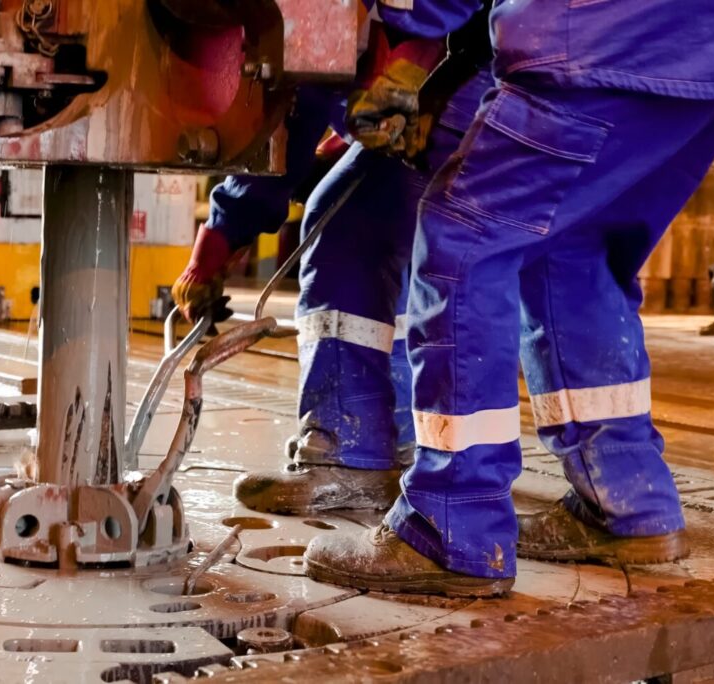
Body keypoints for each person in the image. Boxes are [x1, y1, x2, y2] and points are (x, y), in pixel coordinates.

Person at [304, 0, 714, 598]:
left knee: (464, 241)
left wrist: (407, 40)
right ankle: (625, 499)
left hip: (597, 32)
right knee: (576, 245)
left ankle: (451, 523)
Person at [172, 3, 491, 514]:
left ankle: (349, 454)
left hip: (468, 69)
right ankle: (396, 437)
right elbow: (313, 94)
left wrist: (414, 47)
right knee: (384, 230)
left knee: (351, 230)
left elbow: (308, 90)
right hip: (497, 65)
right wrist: (223, 233)